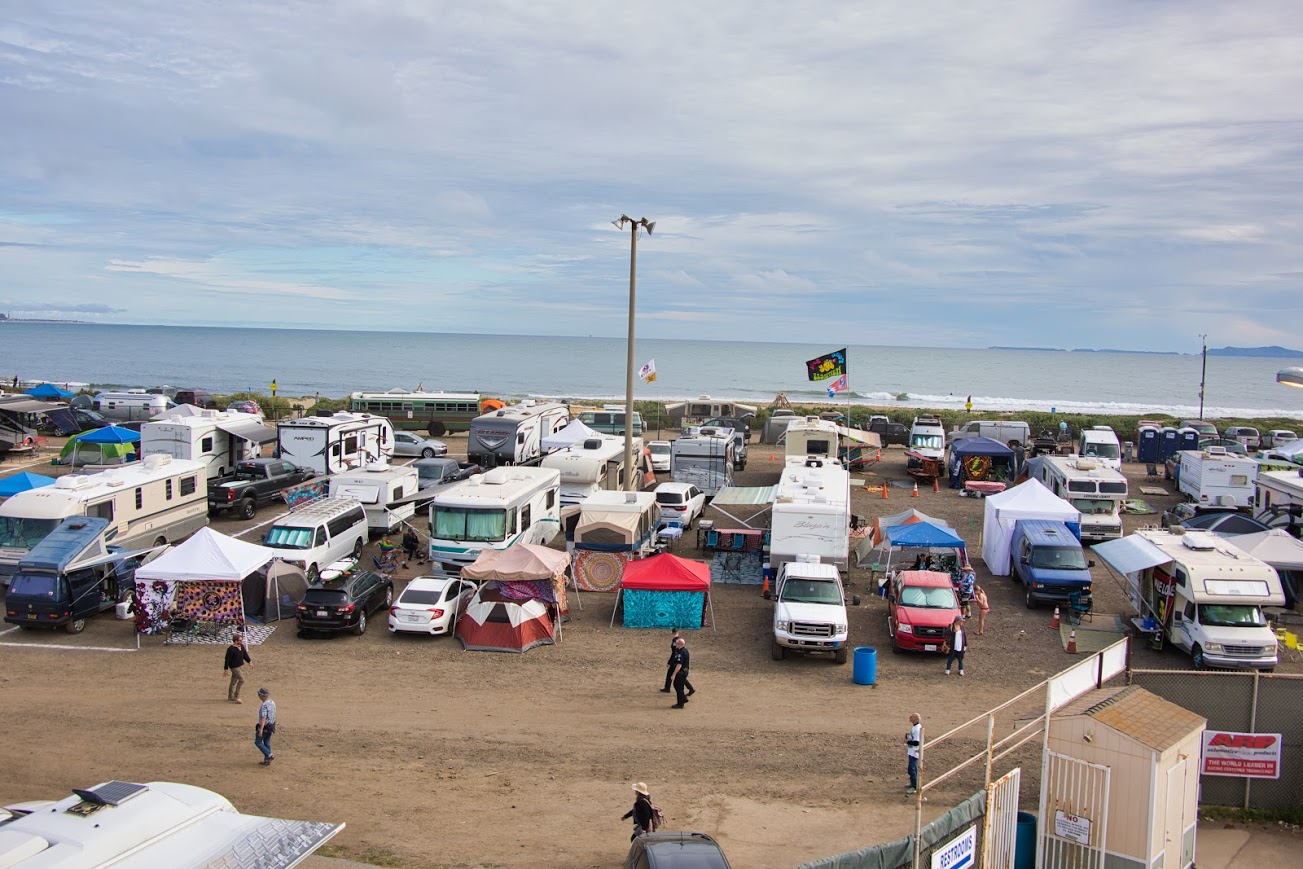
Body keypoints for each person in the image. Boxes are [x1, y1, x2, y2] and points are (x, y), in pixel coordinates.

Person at [661, 629, 695, 695]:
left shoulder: (674, 641)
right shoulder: (679, 640)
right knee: (680, 677)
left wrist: (670, 662)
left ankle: (667, 687)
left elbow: (674, 653)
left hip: (675, 660)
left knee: (672, 674)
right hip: (677, 660)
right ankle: (690, 688)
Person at [223, 633, 252, 703]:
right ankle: (237, 695)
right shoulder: (230, 649)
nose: (241, 642)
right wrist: (226, 669)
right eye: (239, 640)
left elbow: (245, 655)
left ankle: (230, 696)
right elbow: (227, 659)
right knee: (242, 680)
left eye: (241, 640)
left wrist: (250, 661)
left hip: (240, 666)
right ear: (235, 641)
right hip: (234, 667)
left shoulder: (241, 646)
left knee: (233, 681)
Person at [254, 687, 277, 765]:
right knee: (267, 742)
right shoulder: (272, 702)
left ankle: (269, 755)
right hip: (271, 726)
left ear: (261, 695)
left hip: (265, 727)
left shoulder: (264, 705)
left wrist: (261, 729)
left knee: (258, 742)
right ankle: (267, 760)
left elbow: (264, 717)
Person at [669, 637, 691, 708]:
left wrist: (674, 674)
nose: (676, 645)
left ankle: (680, 703)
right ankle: (683, 698)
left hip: (681, 672)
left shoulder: (681, 653)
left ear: (680, 644)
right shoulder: (685, 650)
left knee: (679, 687)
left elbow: (679, 665)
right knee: (677, 685)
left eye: (677, 644)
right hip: (685, 670)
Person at [905, 713, 922, 794]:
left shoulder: (918, 728)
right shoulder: (915, 727)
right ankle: (913, 783)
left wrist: (908, 741)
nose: (910, 717)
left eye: (911, 717)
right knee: (911, 769)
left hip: (915, 752)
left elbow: (917, 742)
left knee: (912, 769)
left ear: (916, 719)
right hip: (911, 751)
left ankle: (914, 786)